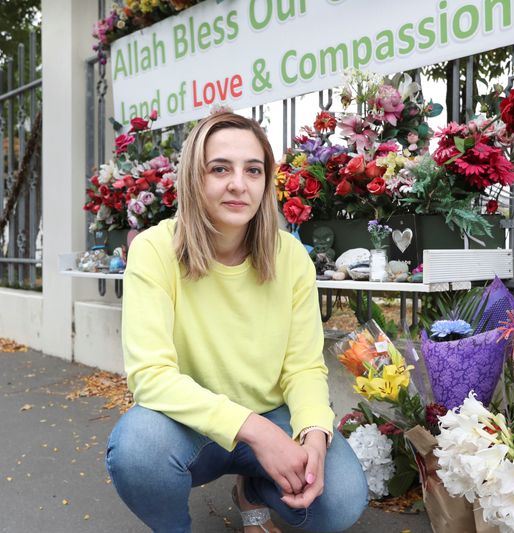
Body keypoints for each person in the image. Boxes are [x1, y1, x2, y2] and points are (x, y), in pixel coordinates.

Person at [105, 111, 368, 533]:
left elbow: (303, 366)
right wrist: (256, 432)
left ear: (266, 182)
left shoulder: (290, 257)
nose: (238, 184)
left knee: (340, 500)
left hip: (272, 413)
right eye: (220, 168)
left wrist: (314, 433)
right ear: (194, 177)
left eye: (253, 170)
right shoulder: (155, 250)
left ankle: (254, 491)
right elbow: (150, 376)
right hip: (187, 426)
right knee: (138, 449)